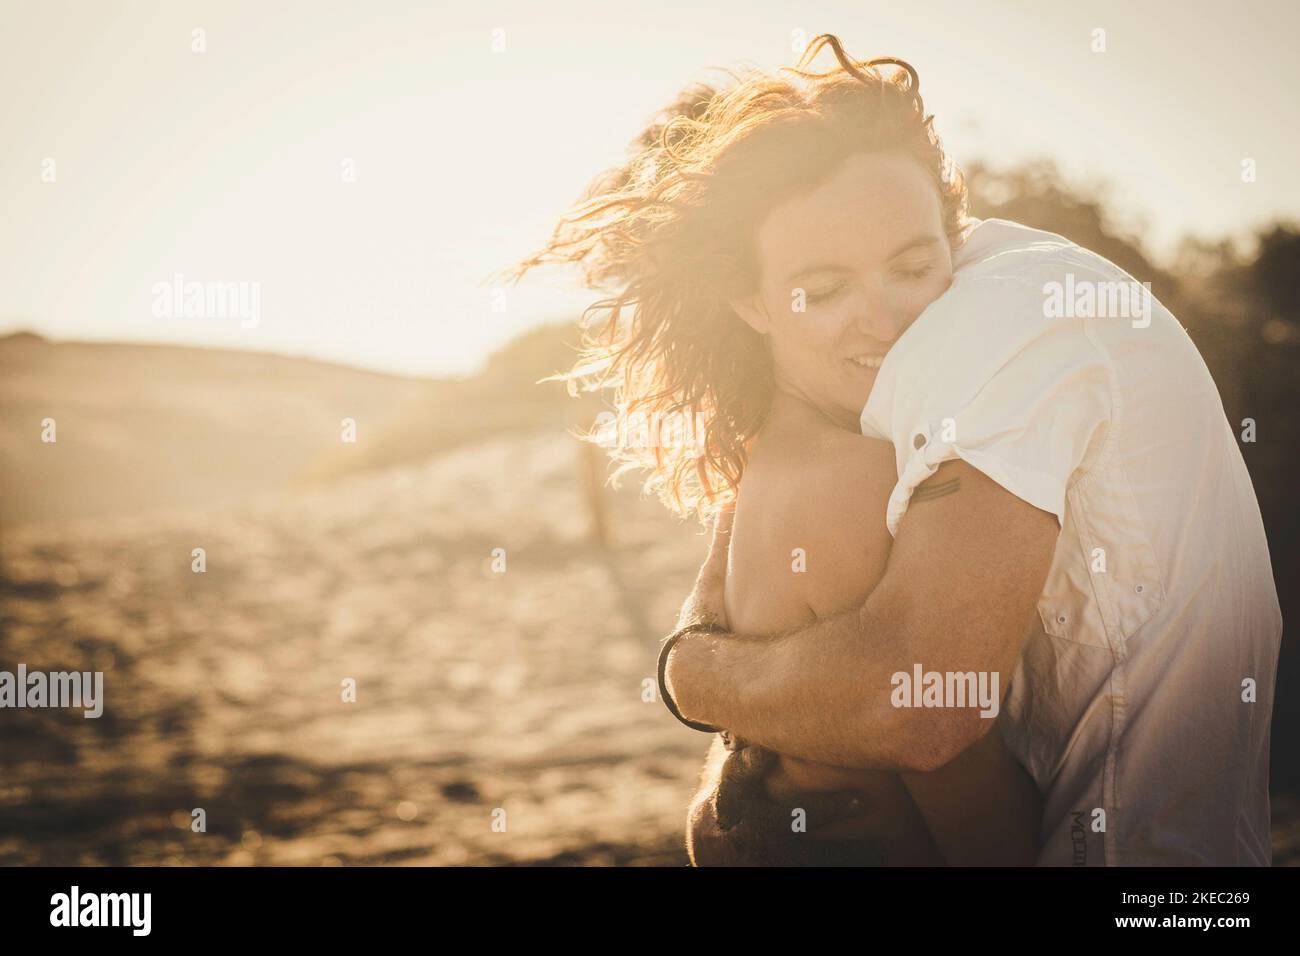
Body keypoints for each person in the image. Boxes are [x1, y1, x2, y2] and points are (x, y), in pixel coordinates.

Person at [502, 33, 1282, 866]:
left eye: (913, 264)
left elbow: (919, 713)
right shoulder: (841, 463)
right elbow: (955, 778)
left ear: (955, 229)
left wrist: (693, 682)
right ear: (751, 302)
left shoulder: (998, 328)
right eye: (826, 289)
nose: (886, 319)